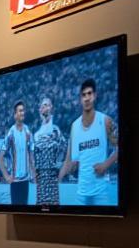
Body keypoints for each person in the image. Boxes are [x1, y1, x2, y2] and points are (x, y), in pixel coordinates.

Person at [59, 78, 119, 206]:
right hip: (81, 194)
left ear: (95, 96)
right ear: (80, 99)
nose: (87, 98)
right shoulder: (74, 126)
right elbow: (69, 161)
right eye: (83, 95)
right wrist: (58, 179)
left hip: (101, 193)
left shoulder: (105, 121)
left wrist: (105, 165)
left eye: (89, 94)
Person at [0, 100, 34, 205]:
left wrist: (34, 173)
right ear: (15, 115)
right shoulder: (11, 133)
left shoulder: (28, 131)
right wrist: (6, 176)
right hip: (15, 181)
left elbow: (31, 156)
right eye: (20, 111)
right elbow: (0, 157)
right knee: (16, 211)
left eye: (23, 110)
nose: (22, 113)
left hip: (25, 181)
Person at [33, 97, 64, 205]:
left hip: (52, 174)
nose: (44, 107)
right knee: (41, 204)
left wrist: (58, 164)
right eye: (42, 105)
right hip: (40, 175)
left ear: (51, 107)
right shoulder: (37, 132)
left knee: (53, 204)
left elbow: (63, 146)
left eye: (46, 105)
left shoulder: (55, 128)